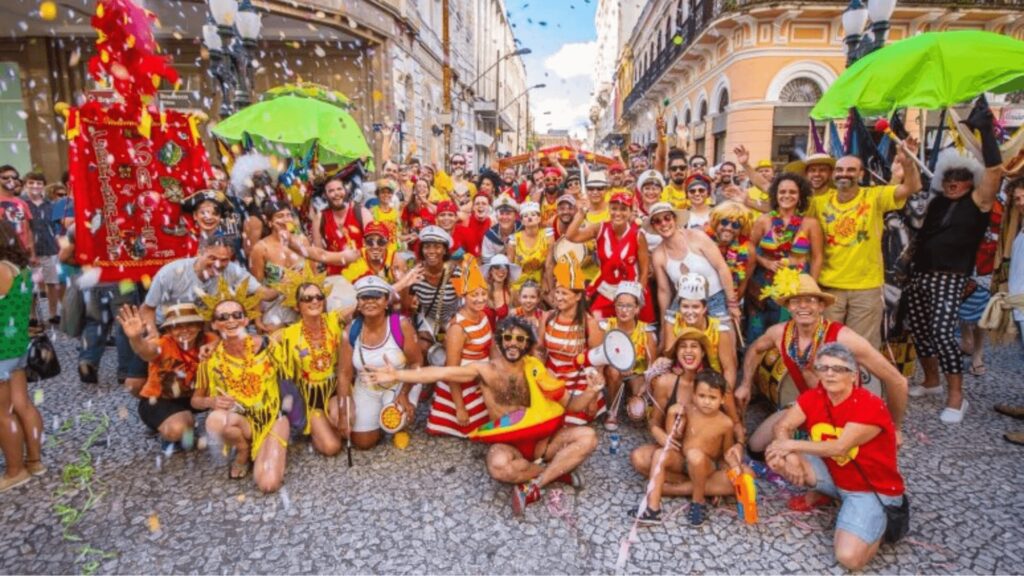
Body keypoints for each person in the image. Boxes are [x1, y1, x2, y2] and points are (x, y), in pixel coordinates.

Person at [363, 316, 603, 516]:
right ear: (499, 341)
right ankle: (558, 473)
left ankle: (535, 484)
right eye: (507, 337)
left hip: (544, 442)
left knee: (588, 437)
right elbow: (441, 371)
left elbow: (571, 404)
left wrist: (592, 390)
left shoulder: (536, 368)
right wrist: (397, 376)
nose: (513, 343)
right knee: (499, 467)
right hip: (509, 445)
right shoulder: (484, 370)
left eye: (520, 339)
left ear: (527, 344)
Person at [766, 343, 907, 571]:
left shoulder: (870, 405)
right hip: (837, 475)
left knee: (849, 558)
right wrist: (791, 455)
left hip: (870, 489)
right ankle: (832, 495)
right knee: (776, 456)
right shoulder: (814, 397)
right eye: (824, 368)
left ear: (854, 375)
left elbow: (839, 447)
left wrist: (790, 444)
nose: (830, 374)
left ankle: (872, 523)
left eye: (839, 369)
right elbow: (783, 426)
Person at [737, 274, 909, 457]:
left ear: (821, 306)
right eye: (796, 301)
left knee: (833, 461)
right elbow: (755, 349)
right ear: (789, 307)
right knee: (756, 449)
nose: (803, 306)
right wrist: (746, 384)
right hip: (806, 406)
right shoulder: (779, 333)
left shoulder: (844, 337)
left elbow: (898, 381)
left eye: (810, 300)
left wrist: (895, 427)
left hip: (844, 414)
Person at [905, 136, 1002, 423]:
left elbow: (994, 173)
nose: (952, 181)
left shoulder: (978, 203)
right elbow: (912, 194)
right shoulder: (936, 204)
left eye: (959, 177)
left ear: (972, 180)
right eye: (948, 176)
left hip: (950, 277)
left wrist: (984, 131)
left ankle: (956, 398)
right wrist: (909, 157)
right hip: (919, 275)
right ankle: (932, 382)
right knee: (921, 332)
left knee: (944, 334)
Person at [807, 143, 921, 349]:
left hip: (866, 288)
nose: (844, 174)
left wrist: (909, 163)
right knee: (827, 344)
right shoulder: (819, 202)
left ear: (860, 174)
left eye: (851, 170)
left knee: (862, 347)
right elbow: (784, 205)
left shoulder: (874, 196)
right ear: (834, 175)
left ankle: (861, 382)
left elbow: (911, 187)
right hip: (829, 287)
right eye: (840, 170)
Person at [193, 278, 288, 492]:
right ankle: (243, 449)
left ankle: (263, 448)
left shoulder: (266, 344)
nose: (231, 320)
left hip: (272, 418)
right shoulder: (211, 359)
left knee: (268, 484)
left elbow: (293, 367)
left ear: (246, 320)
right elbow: (196, 400)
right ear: (215, 324)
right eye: (223, 317)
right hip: (240, 420)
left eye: (237, 315)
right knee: (215, 420)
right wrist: (212, 401)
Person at [638, 371, 747, 526]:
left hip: (706, 465)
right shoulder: (687, 410)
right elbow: (674, 434)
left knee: (698, 457)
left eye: (712, 398)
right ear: (694, 395)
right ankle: (652, 508)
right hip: (682, 460)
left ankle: (698, 501)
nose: (706, 402)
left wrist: (733, 465)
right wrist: (671, 415)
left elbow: (725, 453)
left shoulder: (726, 423)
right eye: (702, 396)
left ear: (722, 399)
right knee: (659, 454)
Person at [337, 276, 422, 449]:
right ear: (358, 303)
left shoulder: (401, 325)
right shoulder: (350, 330)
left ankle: (399, 417)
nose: (370, 301)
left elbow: (416, 364)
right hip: (367, 387)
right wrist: (343, 412)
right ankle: (379, 414)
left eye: (376, 297)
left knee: (393, 424)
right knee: (363, 443)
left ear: (386, 302)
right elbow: (344, 374)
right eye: (364, 297)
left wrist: (404, 394)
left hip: (399, 383)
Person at [271, 265, 346, 456]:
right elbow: (255, 344)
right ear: (297, 306)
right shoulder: (288, 334)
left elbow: (365, 303)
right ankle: (313, 427)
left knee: (348, 421)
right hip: (310, 402)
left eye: (319, 297)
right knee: (332, 448)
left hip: (333, 392)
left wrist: (399, 284)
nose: (315, 301)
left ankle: (330, 423)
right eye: (307, 298)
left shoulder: (334, 321)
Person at [118, 303, 212, 451]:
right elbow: (146, 351)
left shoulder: (210, 340)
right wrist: (136, 338)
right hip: (160, 399)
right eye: (177, 326)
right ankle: (175, 428)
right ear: (169, 330)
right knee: (177, 431)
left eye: (190, 324)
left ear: (200, 326)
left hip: (195, 395)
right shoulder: (163, 344)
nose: (184, 330)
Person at [142, 235, 278, 336]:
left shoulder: (233, 270)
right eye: (212, 258)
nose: (217, 264)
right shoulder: (171, 272)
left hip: (203, 329)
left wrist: (284, 284)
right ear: (199, 253)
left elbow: (265, 294)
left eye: (224, 260)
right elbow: (147, 308)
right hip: (168, 326)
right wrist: (154, 335)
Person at [748, 173, 824, 341]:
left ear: (800, 195)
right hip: (764, 283)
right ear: (776, 194)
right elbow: (750, 247)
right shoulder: (764, 220)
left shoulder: (811, 223)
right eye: (782, 192)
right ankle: (752, 365)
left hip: (797, 285)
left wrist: (812, 288)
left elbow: (818, 257)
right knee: (758, 330)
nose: (787, 196)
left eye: (792, 192)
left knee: (790, 332)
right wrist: (765, 262)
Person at [0, 220, 44, 491]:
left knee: (3, 413)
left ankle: (15, 470)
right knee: (22, 404)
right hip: (16, 346)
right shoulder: (21, 269)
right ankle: (35, 461)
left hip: (0, 349)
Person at [426, 256, 492, 437]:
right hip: (462, 386)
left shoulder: (484, 315)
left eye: (483, 294)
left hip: (481, 379)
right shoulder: (458, 328)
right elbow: (451, 370)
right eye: (474, 295)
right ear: (463, 296)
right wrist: (460, 408)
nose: (480, 299)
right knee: (477, 429)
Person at [566, 190, 654, 322]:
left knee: (638, 334)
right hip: (608, 291)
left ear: (630, 212)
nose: (618, 213)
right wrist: (581, 214)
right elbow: (571, 236)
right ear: (609, 209)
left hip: (631, 291)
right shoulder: (599, 228)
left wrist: (637, 296)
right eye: (614, 209)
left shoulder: (638, 235)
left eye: (623, 209)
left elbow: (644, 270)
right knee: (595, 322)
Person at [647, 202, 739, 327]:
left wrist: (732, 304)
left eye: (667, 218)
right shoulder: (658, 254)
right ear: (653, 227)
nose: (664, 224)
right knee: (672, 335)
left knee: (723, 336)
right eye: (657, 221)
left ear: (675, 219)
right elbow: (664, 291)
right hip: (684, 304)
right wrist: (664, 324)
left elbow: (722, 267)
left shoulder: (697, 236)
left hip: (715, 298)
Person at [539, 254, 604, 425]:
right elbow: (539, 350)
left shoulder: (589, 323)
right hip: (551, 381)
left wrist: (592, 397)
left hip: (578, 384)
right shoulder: (547, 318)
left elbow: (597, 363)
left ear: (577, 296)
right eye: (557, 292)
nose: (558, 297)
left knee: (567, 425)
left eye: (564, 293)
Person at [663, 274, 739, 405]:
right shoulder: (672, 323)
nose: (690, 312)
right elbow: (668, 355)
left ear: (704, 308)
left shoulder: (719, 329)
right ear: (679, 307)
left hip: (712, 381)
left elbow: (729, 369)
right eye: (685, 306)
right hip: (682, 376)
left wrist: (723, 397)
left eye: (695, 307)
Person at [601, 282, 656, 432]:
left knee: (637, 413)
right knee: (613, 371)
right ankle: (612, 410)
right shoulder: (606, 327)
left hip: (636, 374)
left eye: (629, 306)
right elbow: (598, 356)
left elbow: (652, 365)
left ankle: (631, 396)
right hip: (612, 372)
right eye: (620, 305)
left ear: (637, 308)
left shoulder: (646, 332)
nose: (624, 310)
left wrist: (643, 388)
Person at [403, 226, 460, 359]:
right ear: (422, 250)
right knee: (422, 347)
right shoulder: (416, 273)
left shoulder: (456, 273)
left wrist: (453, 325)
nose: (431, 251)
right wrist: (405, 283)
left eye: (437, 246)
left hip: (452, 316)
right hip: (429, 318)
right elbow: (407, 305)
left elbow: (466, 302)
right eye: (427, 247)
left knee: (451, 344)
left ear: (445, 250)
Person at [311, 173, 372, 276]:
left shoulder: (362, 213)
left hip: (363, 276)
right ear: (325, 195)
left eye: (339, 189)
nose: (336, 193)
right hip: (335, 279)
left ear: (346, 190)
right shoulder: (319, 218)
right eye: (331, 191)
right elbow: (319, 254)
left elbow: (373, 246)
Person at [20, 172, 60, 327]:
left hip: (50, 249)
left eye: (38, 183)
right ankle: (33, 315)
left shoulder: (50, 205)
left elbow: (56, 226)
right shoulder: (22, 204)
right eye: (31, 183)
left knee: (52, 282)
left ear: (43, 186)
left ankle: (53, 313)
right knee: (30, 285)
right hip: (29, 251)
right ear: (25, 185)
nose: (35, 186)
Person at [708, 202, 755, 305]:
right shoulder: (704, 241)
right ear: (716, 222)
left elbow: (743, 283)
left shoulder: (748, 250)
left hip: (729, 301)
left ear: (741, 229)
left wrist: (732, 306)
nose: (729, 228)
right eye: (724, 222)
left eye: (736, 225)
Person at [508, 201, 548, 295]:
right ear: (522, 221)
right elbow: (509, 266)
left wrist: (545, 278)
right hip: (519, 284)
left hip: (540, 281)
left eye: (533, 215)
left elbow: (549, 263)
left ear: (539, 218)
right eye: (525, 216)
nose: (529, 218)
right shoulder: (514, 240)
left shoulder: (547, 235)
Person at [482, 195, 520, 264]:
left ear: (515, 216)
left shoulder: (522, 229)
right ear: (496, 216)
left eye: (508, 214)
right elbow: (487, 263)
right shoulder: (490, 235)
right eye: (501, 213)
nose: (504, 217)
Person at [482, 254, 519, 320]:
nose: (501, 271)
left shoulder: (512, 292)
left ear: (508, 271)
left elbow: (520, 314)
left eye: (504, 267)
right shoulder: (482, 291)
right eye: (497, 267)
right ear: (491, 271)